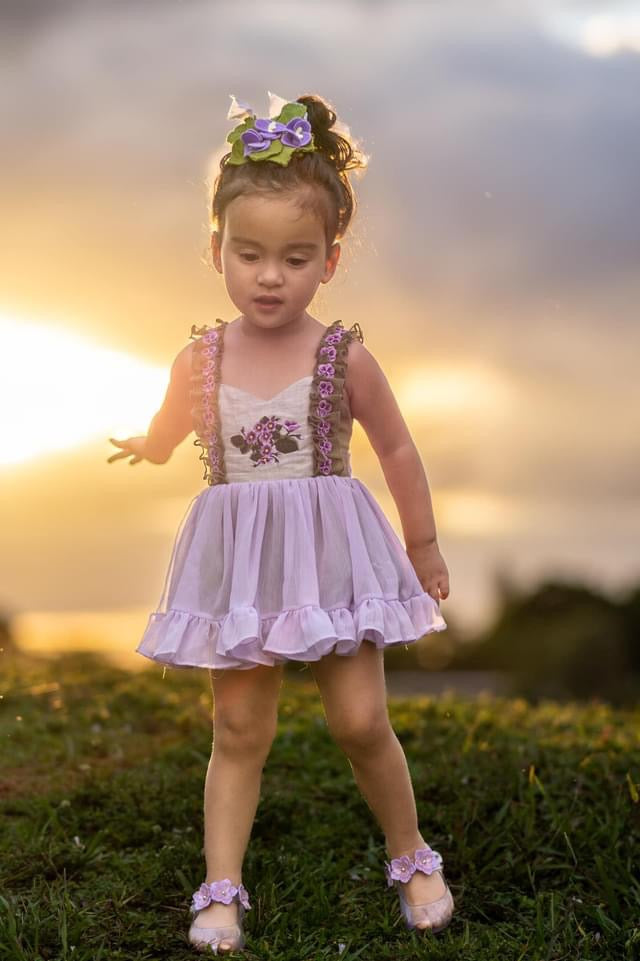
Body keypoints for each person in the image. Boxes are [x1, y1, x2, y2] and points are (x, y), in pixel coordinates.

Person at [108, 90, 455, 954]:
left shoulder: (344, 354)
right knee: (239, 728)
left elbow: (400, 450)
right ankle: (221, 887)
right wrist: (149, 449)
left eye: (296, 258)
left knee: (360, 720)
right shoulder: (202, 355)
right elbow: (172, 422)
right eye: (250, 253)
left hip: (333, 559)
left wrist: (422, 546)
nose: (271, 275)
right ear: (215, 248)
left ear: (330, 261)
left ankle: (412, 856)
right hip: (243, 566)